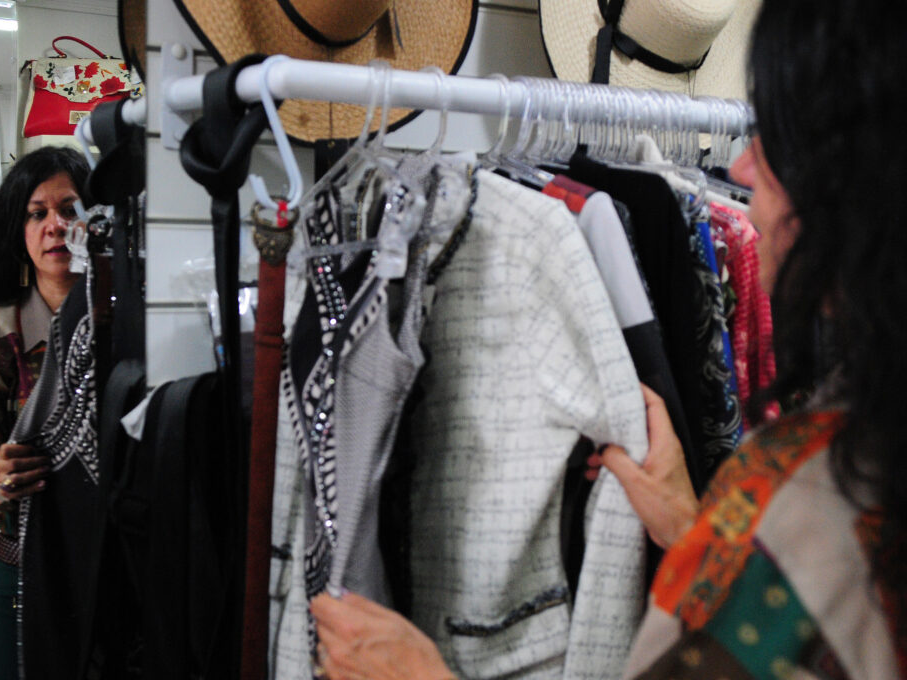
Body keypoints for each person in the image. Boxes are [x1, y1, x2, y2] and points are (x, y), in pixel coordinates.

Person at [308, 0, 907, 677]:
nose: (742, 170)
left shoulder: (820, 489)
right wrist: (692, 526)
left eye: (775, 137)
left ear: (850, 177)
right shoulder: (861, 446)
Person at [0, 146, 89, 680]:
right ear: (19, 230)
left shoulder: (133, 320)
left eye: (70, 209)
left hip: (115, 564)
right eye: (37, 213)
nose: (56, 225)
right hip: (23, 565)